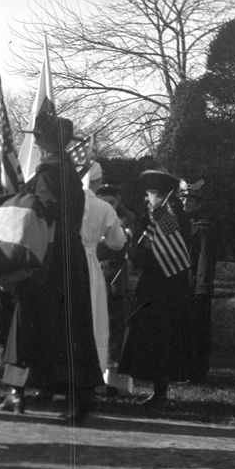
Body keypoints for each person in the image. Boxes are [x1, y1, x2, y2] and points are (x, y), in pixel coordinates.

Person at [0, 106, 101, 423]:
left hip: (48, 258)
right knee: (68, 327)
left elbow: (44, 211)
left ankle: (21, 393)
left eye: (39, 139)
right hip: (68, 257)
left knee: (30, 323)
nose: (38, 145)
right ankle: (75, 397)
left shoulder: (48, 174)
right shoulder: (68, 172)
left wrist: (16, 202)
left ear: (45, 143)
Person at [118, 168, 194, 409]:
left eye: (149, 193)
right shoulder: (171, 216)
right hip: (168, 285)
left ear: (160, 194)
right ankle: (159, 389)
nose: (145, 198)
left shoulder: (164, 218)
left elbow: (150, 256)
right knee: (161, 337)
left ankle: (160, 392)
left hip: (160, 287)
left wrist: (133, 249)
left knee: (160, 338)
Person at [79, 162, 128, 393]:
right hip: (89, 263)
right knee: (95, 320)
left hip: (66, 263)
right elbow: (117, 243)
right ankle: (92, 378)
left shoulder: (66, 202)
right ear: (98, 182)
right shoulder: (103, 208)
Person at [91, 182, 136, 397]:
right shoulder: (95, 214)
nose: (109, 205)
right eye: (105, 201)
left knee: (117, 325)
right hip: (97, 272)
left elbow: (120, 241)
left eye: (112, 201)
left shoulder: (126, 218)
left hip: (117, 277)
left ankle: (116, 382)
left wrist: (103, 240)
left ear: (119, 202)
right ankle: (98, 378)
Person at [179, 179, 216, 381]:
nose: (186, 202)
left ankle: (196, 370)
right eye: (183, 198)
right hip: (177, 282)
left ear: (197, 204)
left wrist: (201, 286)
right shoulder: (175, 224)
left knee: (196, 327)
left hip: (194, 284)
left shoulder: (202, 228)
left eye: (191, 199)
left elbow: (205, 258)